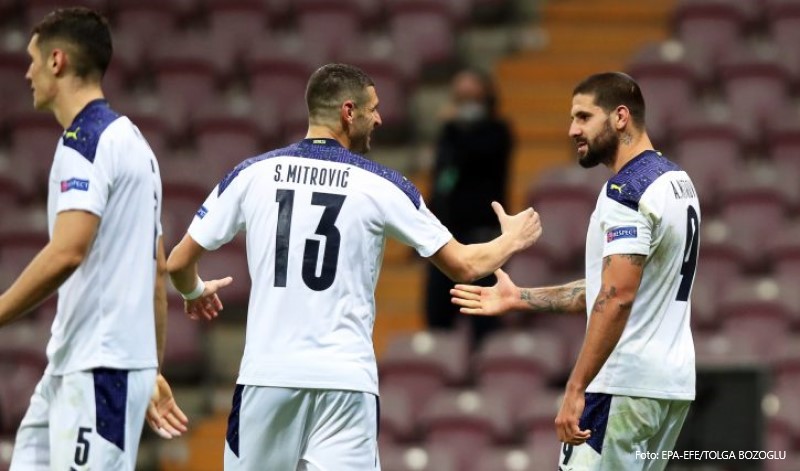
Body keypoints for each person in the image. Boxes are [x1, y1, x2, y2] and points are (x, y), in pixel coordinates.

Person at [166, 63, 541, 470]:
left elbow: (178, 262)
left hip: (267, 375)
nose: (379, 119)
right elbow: (465, 266)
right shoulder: (383, 185)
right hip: (345, 381)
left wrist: (193, 291)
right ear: (348, 111)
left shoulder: (252, 174)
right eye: (372, 108)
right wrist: (512, 239)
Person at [451, 72, 700, 471]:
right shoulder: (677, 182)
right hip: (669, 388)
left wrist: (576, 386)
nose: (572, 130)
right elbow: (612, 287)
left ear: (620, 117)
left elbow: (616, 297)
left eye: (584, 117)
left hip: (622, 384)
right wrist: (520, 298)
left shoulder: (626, 193)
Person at [2, 8, 187, 470]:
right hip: (76, 363)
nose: (27, 73)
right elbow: (157, 268)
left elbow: (67, 251)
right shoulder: (136, 144)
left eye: (33, 60)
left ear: (57, 61)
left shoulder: (84, 141)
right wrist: (151, 367)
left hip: (100, 370)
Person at [424, 67, 512, 346]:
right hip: (446, 239)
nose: (466, 105)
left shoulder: (498, 132)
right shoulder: (448, 133)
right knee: (437, 318)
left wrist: (455, 127)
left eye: (472, 98)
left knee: (484, 321)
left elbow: (474, 156)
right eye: (460, 98)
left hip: (482, 239)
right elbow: (441, 180)